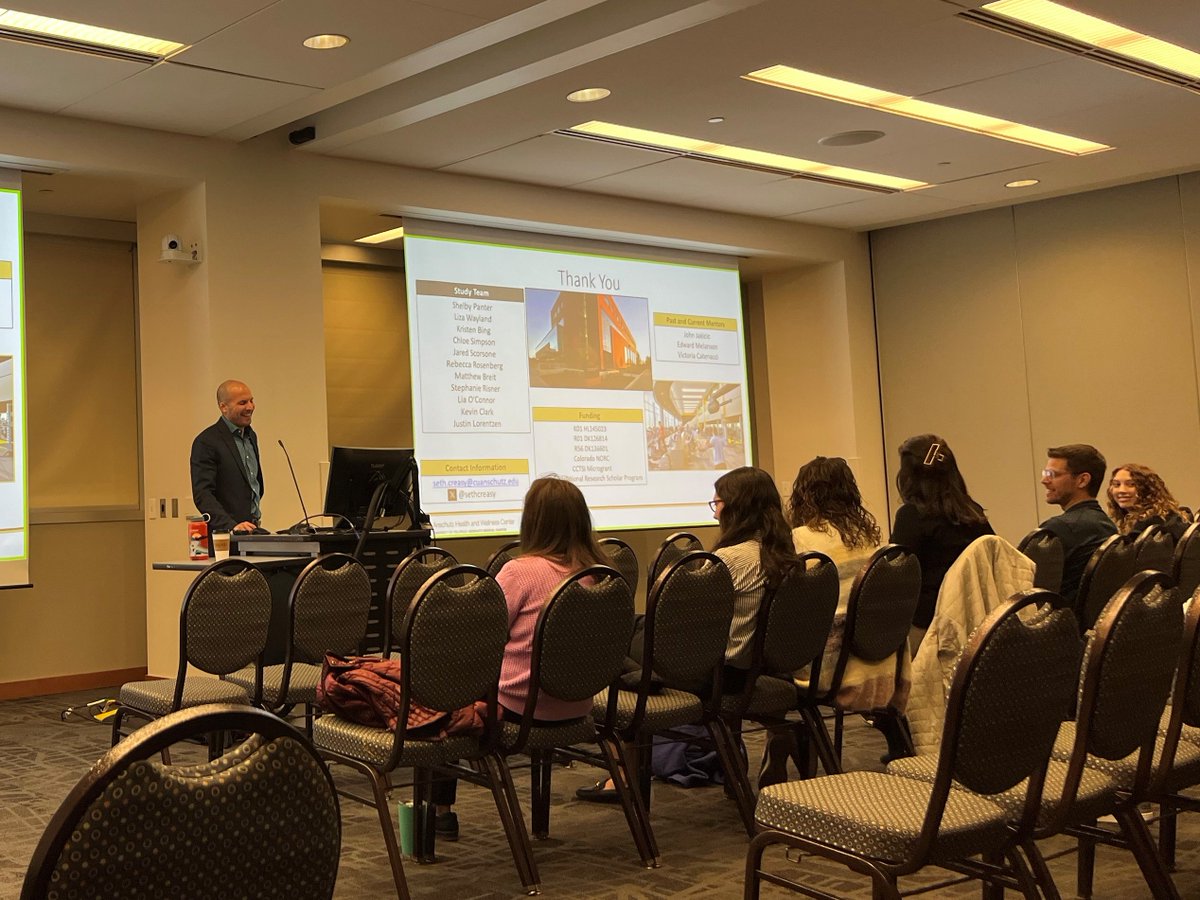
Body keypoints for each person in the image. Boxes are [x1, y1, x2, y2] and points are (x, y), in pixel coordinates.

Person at [578, 465, 798, 802]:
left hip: (712, 675)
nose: (715, 510)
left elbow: (687, 630)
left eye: (718, 502)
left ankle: (623, 769)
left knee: (607, 639)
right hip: (750, 667)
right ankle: (636, 675)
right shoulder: (782, 554)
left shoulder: (729, 560)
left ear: (736, 507)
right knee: (631, 629)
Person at [434, 476, 609, 837]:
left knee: (443, 689)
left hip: (522, 708)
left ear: (532, 521)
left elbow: (482, 635)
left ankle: (440, 813)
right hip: (577, 706)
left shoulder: (519, 571)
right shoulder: (598, 574)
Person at [890, 434, 993, 654]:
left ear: (908, 476)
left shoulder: (912, 516)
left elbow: (896, 574)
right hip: (975, 621)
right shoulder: (973, 513)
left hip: (928, 626)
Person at [789, 456, 882, 604]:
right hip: (867, 621)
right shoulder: (865, 532)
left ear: (804, 496)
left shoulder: (800, 536)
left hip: (828, 623)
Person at [1039, 443, 1117, 603]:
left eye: (1052, 474)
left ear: (1082, 480)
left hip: (1055, 623)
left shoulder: (1058, 530)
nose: (1044, 480)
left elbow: (1021, 584)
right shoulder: (1107, 525)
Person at [190, 380, 264, 533]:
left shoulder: (251, 436)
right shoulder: (206, 442)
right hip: (225, 535)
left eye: (251, 401)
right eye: (242, 403)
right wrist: (231, 525)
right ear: (223, 407)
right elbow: (203, 494)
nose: (250, 407)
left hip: (252, 530)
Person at [1106, 463, 1191, 540]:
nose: (1122, 490)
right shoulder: (1166, 514)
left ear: (1148, 489)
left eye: (1131, 484)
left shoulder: (1153, 523)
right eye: (1116, 484)